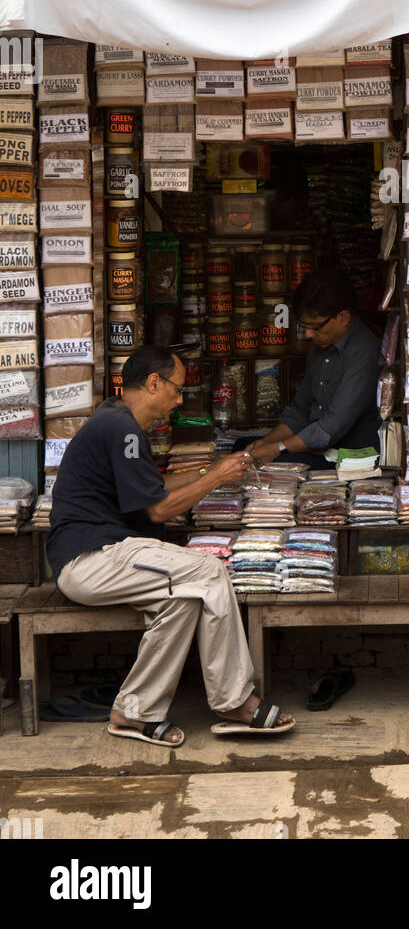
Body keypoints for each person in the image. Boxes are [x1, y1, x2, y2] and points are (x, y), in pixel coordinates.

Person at [47, 345, 294, 748]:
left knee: (184, 601)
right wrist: (214, 479)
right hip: (90, 560)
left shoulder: (119, 422)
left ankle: (133, 712)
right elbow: (161, 510)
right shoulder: (121, 428)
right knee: (209, 570)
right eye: (177, 390)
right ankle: (235, 701)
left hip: (103, 558)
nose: (179, 400)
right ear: (153, 382)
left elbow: (154, 490)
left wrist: (212, 470)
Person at [244, 267, 380, 468]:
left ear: (342, 317)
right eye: (304, 326)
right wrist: (266, 442)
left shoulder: (364, 350)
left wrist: (277, 448)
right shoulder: (320, 344)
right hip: (318, 449)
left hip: (350, 457)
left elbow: (332, 426)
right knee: (242, 451)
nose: (308, 334)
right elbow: (301, 410)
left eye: (315, 326)